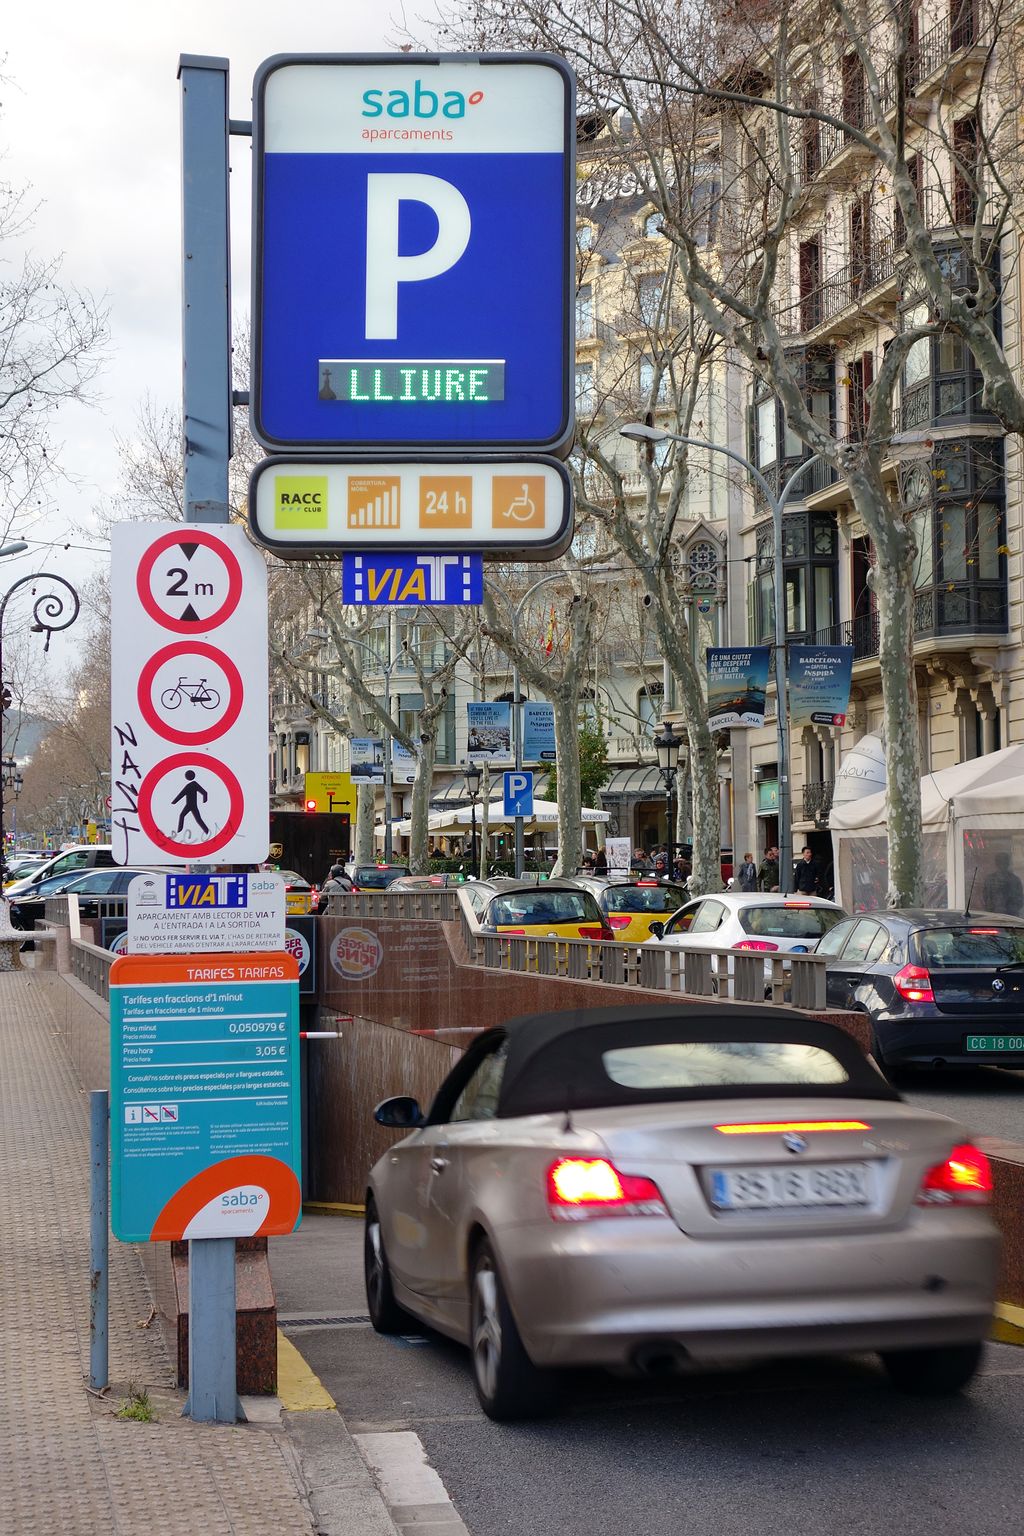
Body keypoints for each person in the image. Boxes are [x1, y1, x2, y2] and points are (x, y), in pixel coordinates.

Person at [983, 850, 1024, 916]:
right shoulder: (990, 879)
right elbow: (985, 899)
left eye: (1004, 862)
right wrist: (992, 909)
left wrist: (1010, 908)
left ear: (1008, 863)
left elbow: (1020, 900)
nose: (1002, 865)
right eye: (1000, 862)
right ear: (997, 863)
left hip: (1011, 918)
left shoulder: (1015, 880)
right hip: (993, 917)